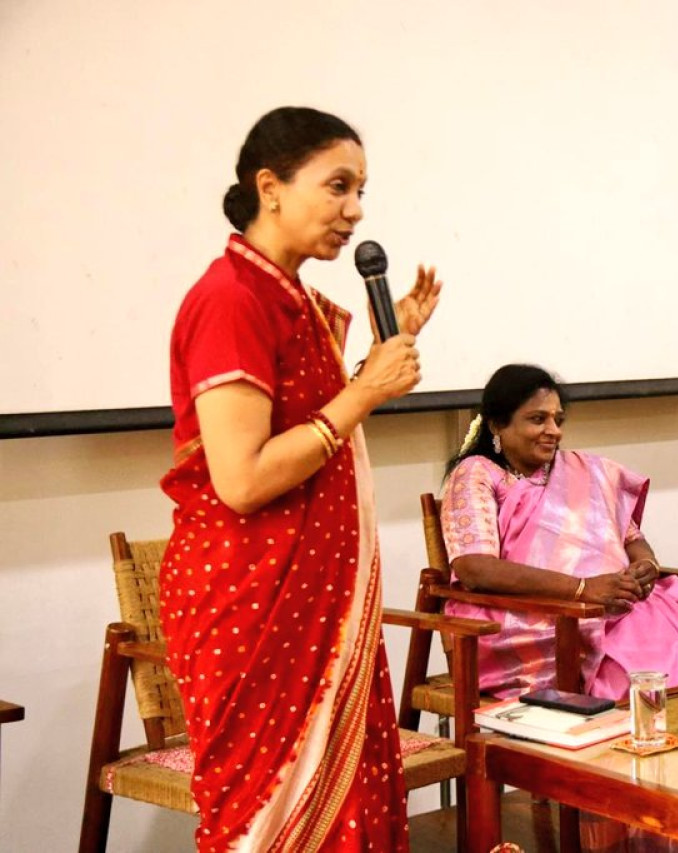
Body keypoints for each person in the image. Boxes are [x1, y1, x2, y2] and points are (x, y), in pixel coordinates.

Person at [159, 107, 442, 852]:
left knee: (345, 804)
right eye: (338, 186)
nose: (355, 211)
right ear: (270, 187)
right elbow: (244, 480)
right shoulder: (231, 300)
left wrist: (386, 353)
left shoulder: (289, 298)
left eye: (362, 191)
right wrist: (365, 391)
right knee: (270, 822)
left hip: (316, 602)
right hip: (253, 607)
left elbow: (316, 436)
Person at [439, 364, 678, 700]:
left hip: (611, 603)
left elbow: (631, 538)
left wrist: (646, 567)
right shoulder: (477, 474)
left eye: (558, 419)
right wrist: (583, 589)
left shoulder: (581, 470)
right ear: (498, 423)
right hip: (530, 617)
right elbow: (474, 567)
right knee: (647, 668)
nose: (553, 430)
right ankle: (635, 745)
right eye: (538, 419)